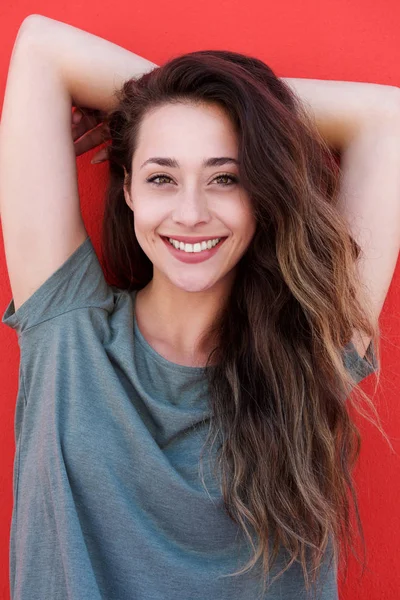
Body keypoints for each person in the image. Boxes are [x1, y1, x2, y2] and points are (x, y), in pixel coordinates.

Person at [0, 13, 399, 600]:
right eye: (162, 178)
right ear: (128, 189)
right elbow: (40, 48)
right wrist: (163, 105)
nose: (190, 213)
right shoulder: (67, 329)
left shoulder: (309, 351)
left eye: (226, 178)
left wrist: (204, 105)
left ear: (262, 193)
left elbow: (387, 121)